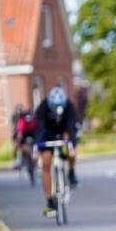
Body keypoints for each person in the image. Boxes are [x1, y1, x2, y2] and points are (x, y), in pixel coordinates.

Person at [34, 86, 80, 217]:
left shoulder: (69, 106)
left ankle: (71, 172)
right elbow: (39, 128)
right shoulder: (42, 108)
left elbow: (73, 125)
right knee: (46, 163)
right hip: (47, 134)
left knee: (72, 151)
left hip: (63, 132)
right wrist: (38, 144)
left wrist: (72, 141)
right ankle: (49, 201)